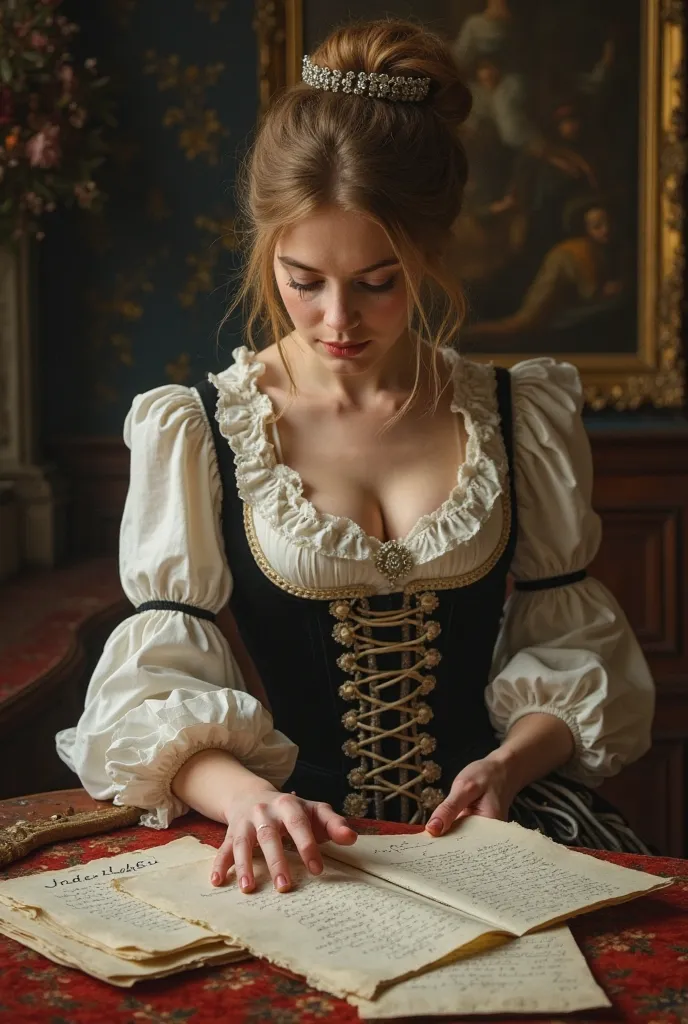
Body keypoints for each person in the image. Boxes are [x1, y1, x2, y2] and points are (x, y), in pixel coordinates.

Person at [55, 19, 655, 897]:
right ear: (269, 254)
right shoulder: (202, 430)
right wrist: (252, 799)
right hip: (301, 853)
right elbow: (150, 695)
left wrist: (510, 765)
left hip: (495, 836)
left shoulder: (517, 415)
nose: (339, 320)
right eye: (304, 280)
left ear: (431, 252)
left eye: (378, 281)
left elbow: (575, 656)